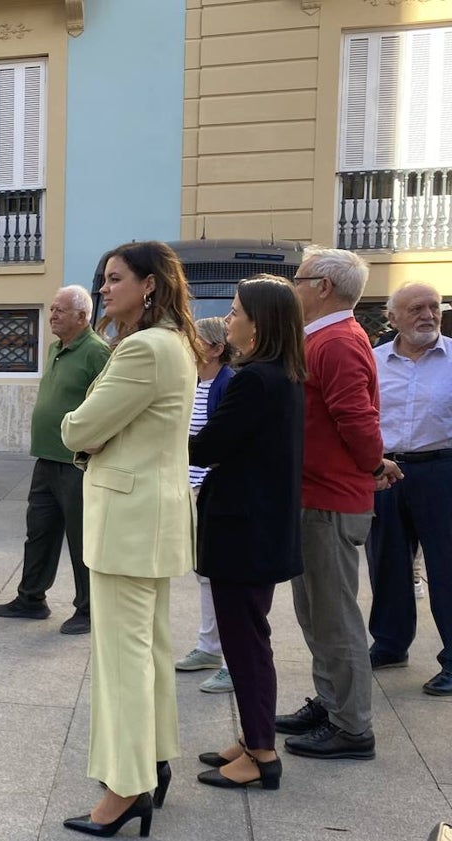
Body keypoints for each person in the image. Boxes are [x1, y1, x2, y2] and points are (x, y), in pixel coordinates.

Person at [59, 241, 199, 836]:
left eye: (115, 279)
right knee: (149, 654)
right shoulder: (172, 343)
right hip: (149, 518)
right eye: (103, 279)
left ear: (149, 285)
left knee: (124, 662)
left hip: (129, 520)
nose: (104, 289)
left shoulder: (143, 348)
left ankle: (126, 787)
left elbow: (80, 427)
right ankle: (152, 765)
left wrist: (79, 430)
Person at [275, 246, 393, 762]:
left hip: (329, 500)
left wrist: (372, 466)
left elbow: (357, 418)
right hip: (314, 496)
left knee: (336, 617)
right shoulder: (322, 338)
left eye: (297, 278)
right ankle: (331, 703)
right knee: (315, 613)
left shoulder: (339, 341)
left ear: (322, 286)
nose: (292, 287)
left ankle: (352, 727)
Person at [189, 276, 307, 791]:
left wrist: (161, 431)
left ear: (258, 326)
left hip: (245, 531)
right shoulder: (278, 374)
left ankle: (261, 752)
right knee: (245, 640)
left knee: (246, 643)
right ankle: (253, 736)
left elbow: (208, 446)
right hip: (257, 527)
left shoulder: (256, 380)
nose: (229, 319)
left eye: (236, 312)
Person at [0, 285, 110, 634]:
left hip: (75, 462)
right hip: (46, 458)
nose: (52, 315)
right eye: (51, 309)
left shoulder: (96, 353)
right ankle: (31, 598)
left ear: (82, 316)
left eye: (60, 310)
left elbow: (104, 408)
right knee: (39, 531)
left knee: (80, 537)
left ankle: (89, 610)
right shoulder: (57, 347)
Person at [365, 282, 452, 696]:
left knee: (447, 567)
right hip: (385, 471)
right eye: (416, 308)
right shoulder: (373, 360)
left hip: (442, 470)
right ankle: (389, 643)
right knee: (386, 562)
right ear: (393, 317)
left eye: (433, 307)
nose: (428, 314)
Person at [174, 316, 237, 692]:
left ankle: (230, 657)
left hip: (214, 489)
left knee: (223, 576)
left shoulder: (229, 384)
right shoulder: (193, 382)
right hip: (193, 488)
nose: (188, 347)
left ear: (216, 348)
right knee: (204, 573)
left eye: (196, 341)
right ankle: (209, 646)